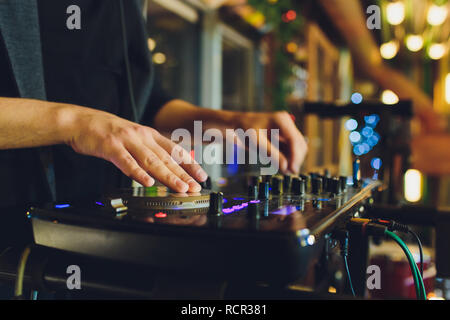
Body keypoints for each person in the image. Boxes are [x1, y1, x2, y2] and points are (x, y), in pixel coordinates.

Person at [0, 0, 308, 208]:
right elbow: (104, 123)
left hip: (101, 223)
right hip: (15, 238)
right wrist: (74, 123)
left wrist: (233, 121)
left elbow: (144, 103)